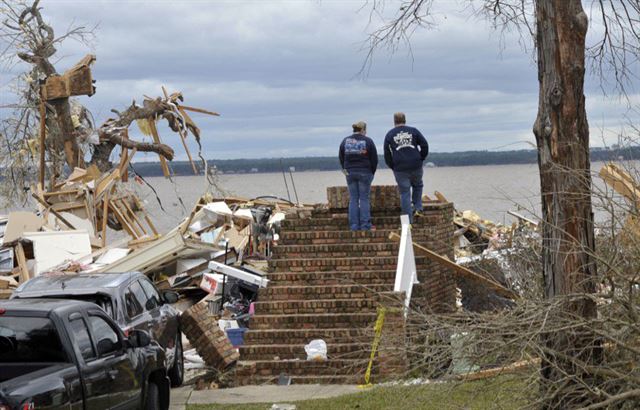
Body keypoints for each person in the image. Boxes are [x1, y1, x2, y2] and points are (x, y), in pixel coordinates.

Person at [383, 112, 429, 222]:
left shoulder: (390, 134)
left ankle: (408, 221)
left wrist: (392, 165)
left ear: (394, 121)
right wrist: (421, 158)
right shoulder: (414, 131)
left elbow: (387, 152)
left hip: (400, 167)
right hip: (415, 164)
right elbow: (424, 145)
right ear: (405, 120)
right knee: (418, 185)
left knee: (404, 193)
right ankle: (418, 208)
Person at [339, 121, 378, 231]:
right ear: (363, 130)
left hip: (350, 172)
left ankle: (354, 226)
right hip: (365, 172)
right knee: (364, 198)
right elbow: (374, 159)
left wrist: (346, 170)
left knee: (353, 199)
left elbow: (341, 157)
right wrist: (371, 172)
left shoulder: (345, 141)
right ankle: (365, 225)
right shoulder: (368, 141)